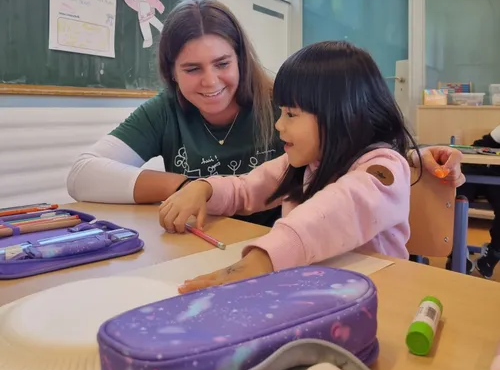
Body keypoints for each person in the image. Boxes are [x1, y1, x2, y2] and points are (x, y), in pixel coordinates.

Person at [67, 0, 463, 226]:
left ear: (241, 58)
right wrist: (189, 186)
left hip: (283, 251)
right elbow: (83, 175)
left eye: (222, 63)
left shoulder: (285, 100)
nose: (210, 81)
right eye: (191, 69)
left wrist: (408, 157)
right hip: (202, 248)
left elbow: (350, 147)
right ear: (171, 73)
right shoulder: (165, 110)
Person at [158, 41, 462, 294]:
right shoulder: (304, 162)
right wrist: (204, 188)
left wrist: (264, 258)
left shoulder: (384, 168)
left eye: (291, 114)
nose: (279, 125)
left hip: (377, 299)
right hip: (311, 293)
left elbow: (338, 209)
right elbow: (247, 188)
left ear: (341, 114)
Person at [454, 127, 500, 279]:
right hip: (475, 170)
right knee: (455, 198)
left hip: (496, 180)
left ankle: (494, 253)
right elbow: (478, 147)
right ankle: (456, 250)